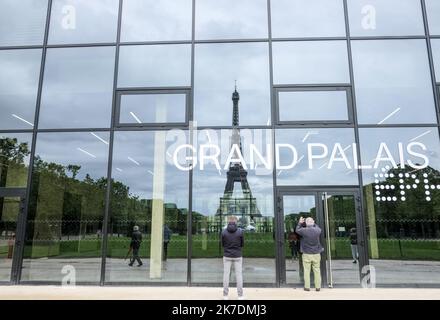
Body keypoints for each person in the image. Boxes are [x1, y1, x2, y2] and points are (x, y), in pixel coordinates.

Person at [295, 216, 323, 292]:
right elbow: (317, 226)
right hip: (316, 254)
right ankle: (318, 287)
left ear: (306, 223)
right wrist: (313, 222)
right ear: (313, 222)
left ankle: (307, 287)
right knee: (317, 270)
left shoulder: (303, 230)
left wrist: (300, 223)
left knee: (306, 271)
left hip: (307, 254)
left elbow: (297, 230)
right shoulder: (318, 230)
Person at [221, 215, 245, 300]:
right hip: (238, 256)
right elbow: (242, 244)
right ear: (236, 222)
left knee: (226, 275)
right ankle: (240, 295)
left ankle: (225, 295)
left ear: (228, 221)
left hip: (227, 256)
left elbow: (222, 244)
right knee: (239, 275)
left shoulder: (224, 232)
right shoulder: (240, 231)